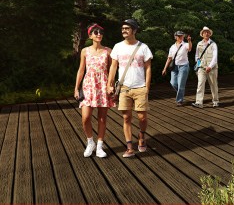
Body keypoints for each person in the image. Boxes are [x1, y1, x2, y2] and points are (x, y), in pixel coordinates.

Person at [107, 18, 153, 159]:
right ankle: (129, 147)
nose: (124, 31)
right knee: (126, 117)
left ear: (134, 30)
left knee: (142, 117)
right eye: (123, 29)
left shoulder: (143, 47)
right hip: (124, 88)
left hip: (140, 87)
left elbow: (148, 68)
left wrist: (147, 87)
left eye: (127, 28)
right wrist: (109, 84)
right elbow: (113, 66)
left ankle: (141, 135)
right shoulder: (118, 46)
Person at [75, 23, 115, 158]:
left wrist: (111, 85)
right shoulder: (85, 51)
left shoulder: (108, 51)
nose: (99, 34)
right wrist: (76, 87)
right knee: (85, 118)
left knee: (102, 118)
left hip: (103, 86)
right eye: (96, 32)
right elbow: (81, 69)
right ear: (90, 35)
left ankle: (99, 146)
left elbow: (112, 70)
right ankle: (90, 142)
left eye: (101, 32)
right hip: (88, 86)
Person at [161, 31, 192, 106]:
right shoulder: (172, 47)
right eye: (179, 36)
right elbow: (169, 58)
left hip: (184, 66)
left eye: (182, 36)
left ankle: (179, 100)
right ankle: (181, 91)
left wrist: (189, 41)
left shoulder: (185, 44)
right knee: (173, 83)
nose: (180, 37)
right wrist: (164, 68)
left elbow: (190, 48)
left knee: (181, 83)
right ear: (175, 37)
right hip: (174, 67)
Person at [193, 26, 219, 108]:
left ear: (210, 34)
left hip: (212, 68)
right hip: (201, 67)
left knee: (213, 85)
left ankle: (215, 101)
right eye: (205, 32)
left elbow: (215, 57)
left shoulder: (213, 44)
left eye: (208, 32)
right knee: (200, 84)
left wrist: (210, 66)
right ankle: (199, 102)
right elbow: (196, 55)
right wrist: (198, 62)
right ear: (202, 34)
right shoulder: (199, 44)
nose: (206, 33)